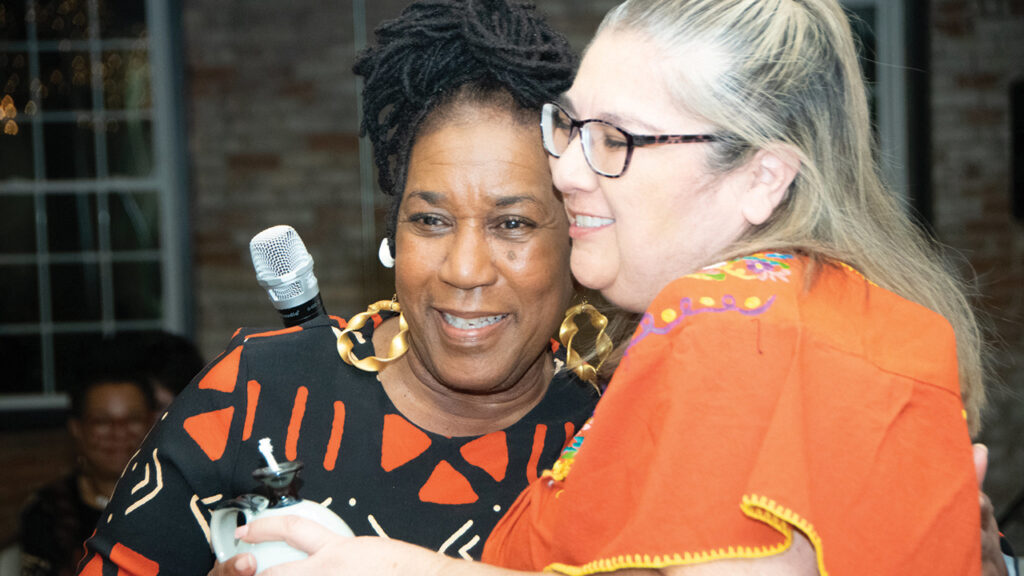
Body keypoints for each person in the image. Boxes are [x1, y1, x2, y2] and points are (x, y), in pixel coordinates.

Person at [222, 0, 998, 574]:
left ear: (763, 178)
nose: (565, 169)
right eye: (570, 125)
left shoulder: (730, 323)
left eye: (617, 139)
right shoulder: (853, 316)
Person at [75, 1, 600, 574]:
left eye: (513, 223)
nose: (465, 269)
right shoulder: (257, 395)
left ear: (577, 238)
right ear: (394, 233)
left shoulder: (612, 424)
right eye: (430, 220)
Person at [20, 362, 154, 576]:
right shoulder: (48, 511)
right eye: (102, 421)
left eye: (133, 419)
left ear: (153, 424)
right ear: (77, 429)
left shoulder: (179, 502)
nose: (119, 433)